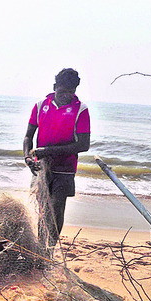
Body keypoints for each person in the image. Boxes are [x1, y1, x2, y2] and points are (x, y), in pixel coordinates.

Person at [23, 68, 90, 248]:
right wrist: (27, 158)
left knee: (57, 208)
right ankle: (40, 246)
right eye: (62, 91)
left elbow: (83, 145)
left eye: (71, 92)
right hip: (41, 166)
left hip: (65, 169)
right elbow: (28, 136)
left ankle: (50, 249)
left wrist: (49, 151)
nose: (66, 96)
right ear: (55, 87)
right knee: (43, 208)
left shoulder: (81, 110)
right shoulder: (40, 105)